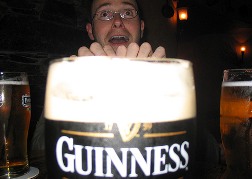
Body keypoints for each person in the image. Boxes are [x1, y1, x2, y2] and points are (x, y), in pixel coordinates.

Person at [31, 0, 166, 151]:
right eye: (104, 14)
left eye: (127, 13)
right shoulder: (70, 80)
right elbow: (38, 150)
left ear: (141, 27)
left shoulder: (171, 79)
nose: (117, 22)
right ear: (90, 30)